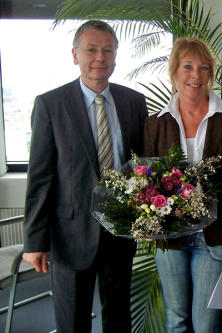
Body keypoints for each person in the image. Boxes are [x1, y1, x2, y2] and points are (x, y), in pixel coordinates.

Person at [23, 20, 147, 333]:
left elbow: (141, 165)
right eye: (91, 49)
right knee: (72, 321)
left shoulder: (134, 102)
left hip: (119, 233)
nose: (99, 57)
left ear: (116, 57)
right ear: (75, 55)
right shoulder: (50, 104)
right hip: (70, 233)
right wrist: (34, 240)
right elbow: (40, 177)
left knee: (118, 317)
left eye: (107, 50)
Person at [143, 37, 222, 333]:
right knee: (176, 320)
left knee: (207, 324)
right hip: (170, 239)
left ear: (211, 74)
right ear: (174, 72)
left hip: (217, 236)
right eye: (187, 67)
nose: (195, 75)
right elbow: (146, 182)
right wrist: (146, 224)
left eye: (204, 68)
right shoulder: (155, 123)